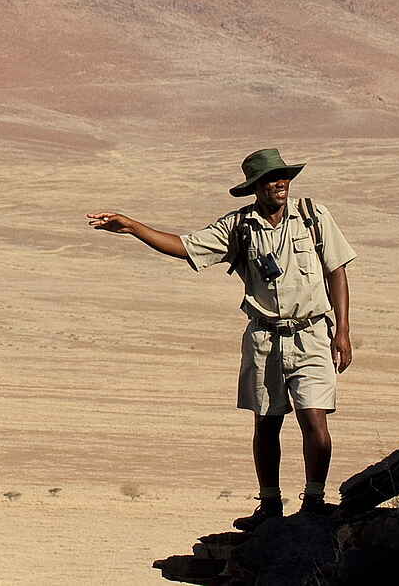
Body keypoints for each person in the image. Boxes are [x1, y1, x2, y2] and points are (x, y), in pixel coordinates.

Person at [86, 148, 357, 525]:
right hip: (264, 338)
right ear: (255, 188)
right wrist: (133, 227)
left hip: (311, 334)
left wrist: (342, 331)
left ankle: (313, 501)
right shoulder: (238, 226)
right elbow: (185, 246)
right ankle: (271, 504)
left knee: (315, 420)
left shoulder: (313, 216)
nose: (279, 183)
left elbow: (337, 272)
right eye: (268, 179)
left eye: (282, 176)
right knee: (266, 422)